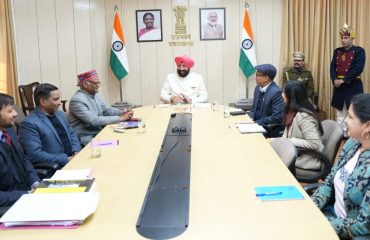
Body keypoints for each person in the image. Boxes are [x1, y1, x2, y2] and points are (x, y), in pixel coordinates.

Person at [311, 93, 370, 239]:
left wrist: (321, 223)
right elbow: (330, 181)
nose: (345, 120)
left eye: (350, 117)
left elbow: (363, 225)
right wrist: (311, 207)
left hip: (346, 232)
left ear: (367, 125)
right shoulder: (352, 143)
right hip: (329, 214)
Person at [18, 83, 81, 167]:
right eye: (56, 99)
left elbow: (72, 134)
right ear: (43, 101)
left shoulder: (61, 114)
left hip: (74, 160)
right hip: (56, 167)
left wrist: (76, 150)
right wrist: (66, 159)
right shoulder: (29, 123)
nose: (59, 102)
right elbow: (34, 155)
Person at [69, 69, 134, 145]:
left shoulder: (96, 95)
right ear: (85, 84)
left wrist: (122, 111)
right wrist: (121, 118)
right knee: (119, 144)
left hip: (99, 133)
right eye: (95, 83)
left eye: (98, 83)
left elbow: (107, 110)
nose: (98, 86)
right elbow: (93, 120)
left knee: (127, 138)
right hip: (87, 139)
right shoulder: (77, 100)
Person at [0, 93, 39, 211]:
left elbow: (24, 159)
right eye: (10, 111)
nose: (16, 114)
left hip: (28, 192)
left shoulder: (9, 131)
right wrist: (26, 194)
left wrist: (35, 182)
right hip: (9, 204)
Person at [279, 80, 324, 170]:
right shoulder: (291, 111)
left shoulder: (304, 116)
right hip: (293, 153)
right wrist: (277, 141)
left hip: (305, 159)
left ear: (291, 96)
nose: (281, 95)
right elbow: (286, 134)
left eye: (284, 92)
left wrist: (289, 141)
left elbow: (314, 143)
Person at [330, 24, 366, 134]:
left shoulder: (359, 51)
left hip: (353, 86)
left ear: (352, 38)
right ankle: (340, 136)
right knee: (340, 115)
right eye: (342, 38)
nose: (343, 40)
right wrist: (334, 79)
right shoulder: (337, 51)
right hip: (339, 87)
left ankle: (352, 137)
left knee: (353, 113)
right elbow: (332, 67)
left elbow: (358, 69)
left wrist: (344, 80)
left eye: (345, 38)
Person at [248, 64, 284, 137]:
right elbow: (254, 107)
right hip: (254, 125)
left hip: (267, 128)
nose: (255, 77)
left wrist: (256, 123)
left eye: (257, 75)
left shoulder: (276, 92)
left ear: (266, 78)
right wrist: (249, 117)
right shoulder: (257, 89)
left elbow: (276, 117)